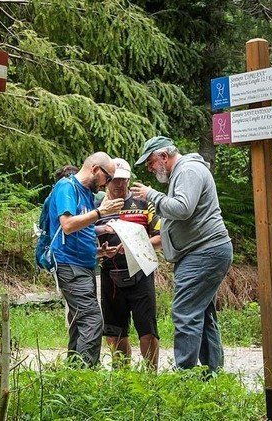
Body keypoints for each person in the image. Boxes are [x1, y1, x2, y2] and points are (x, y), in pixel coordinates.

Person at [130, 136, 233, 371]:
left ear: (164, 157)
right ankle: (213, 373)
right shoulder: (183, 173)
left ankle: (184, 375)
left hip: (204, 252)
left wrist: (152, 195)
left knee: (185, 312)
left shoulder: (188, 170)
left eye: (151, 162)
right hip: (202, 252)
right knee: (203, 314)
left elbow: (183, 209)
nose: (149, 168)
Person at [47, 152, 124, 367]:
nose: (107, 184)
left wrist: (100, 252)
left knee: (79, 321)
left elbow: (82, 232)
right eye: (107, 178)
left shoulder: (88, 194)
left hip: (86, 265)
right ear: (95, 170)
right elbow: (68, 225)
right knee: (92, 319)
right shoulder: (66, 187)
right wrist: (100, 212)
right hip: (68, 265)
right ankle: (85, 373)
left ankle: (73, 373)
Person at [95, 158, 162, 369]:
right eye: (115, 180)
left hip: (141, 272)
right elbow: (85, 236)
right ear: (106, 181)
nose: (120, 185)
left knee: (148, 330)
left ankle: (151, 377)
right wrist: (99, 252)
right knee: (114, 331)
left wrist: (134, 247)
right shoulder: (97, 206)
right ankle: (122, 377)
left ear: (129, 179)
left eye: (124, 180)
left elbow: (160, 238)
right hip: (110, 275)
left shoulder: (144, 204)